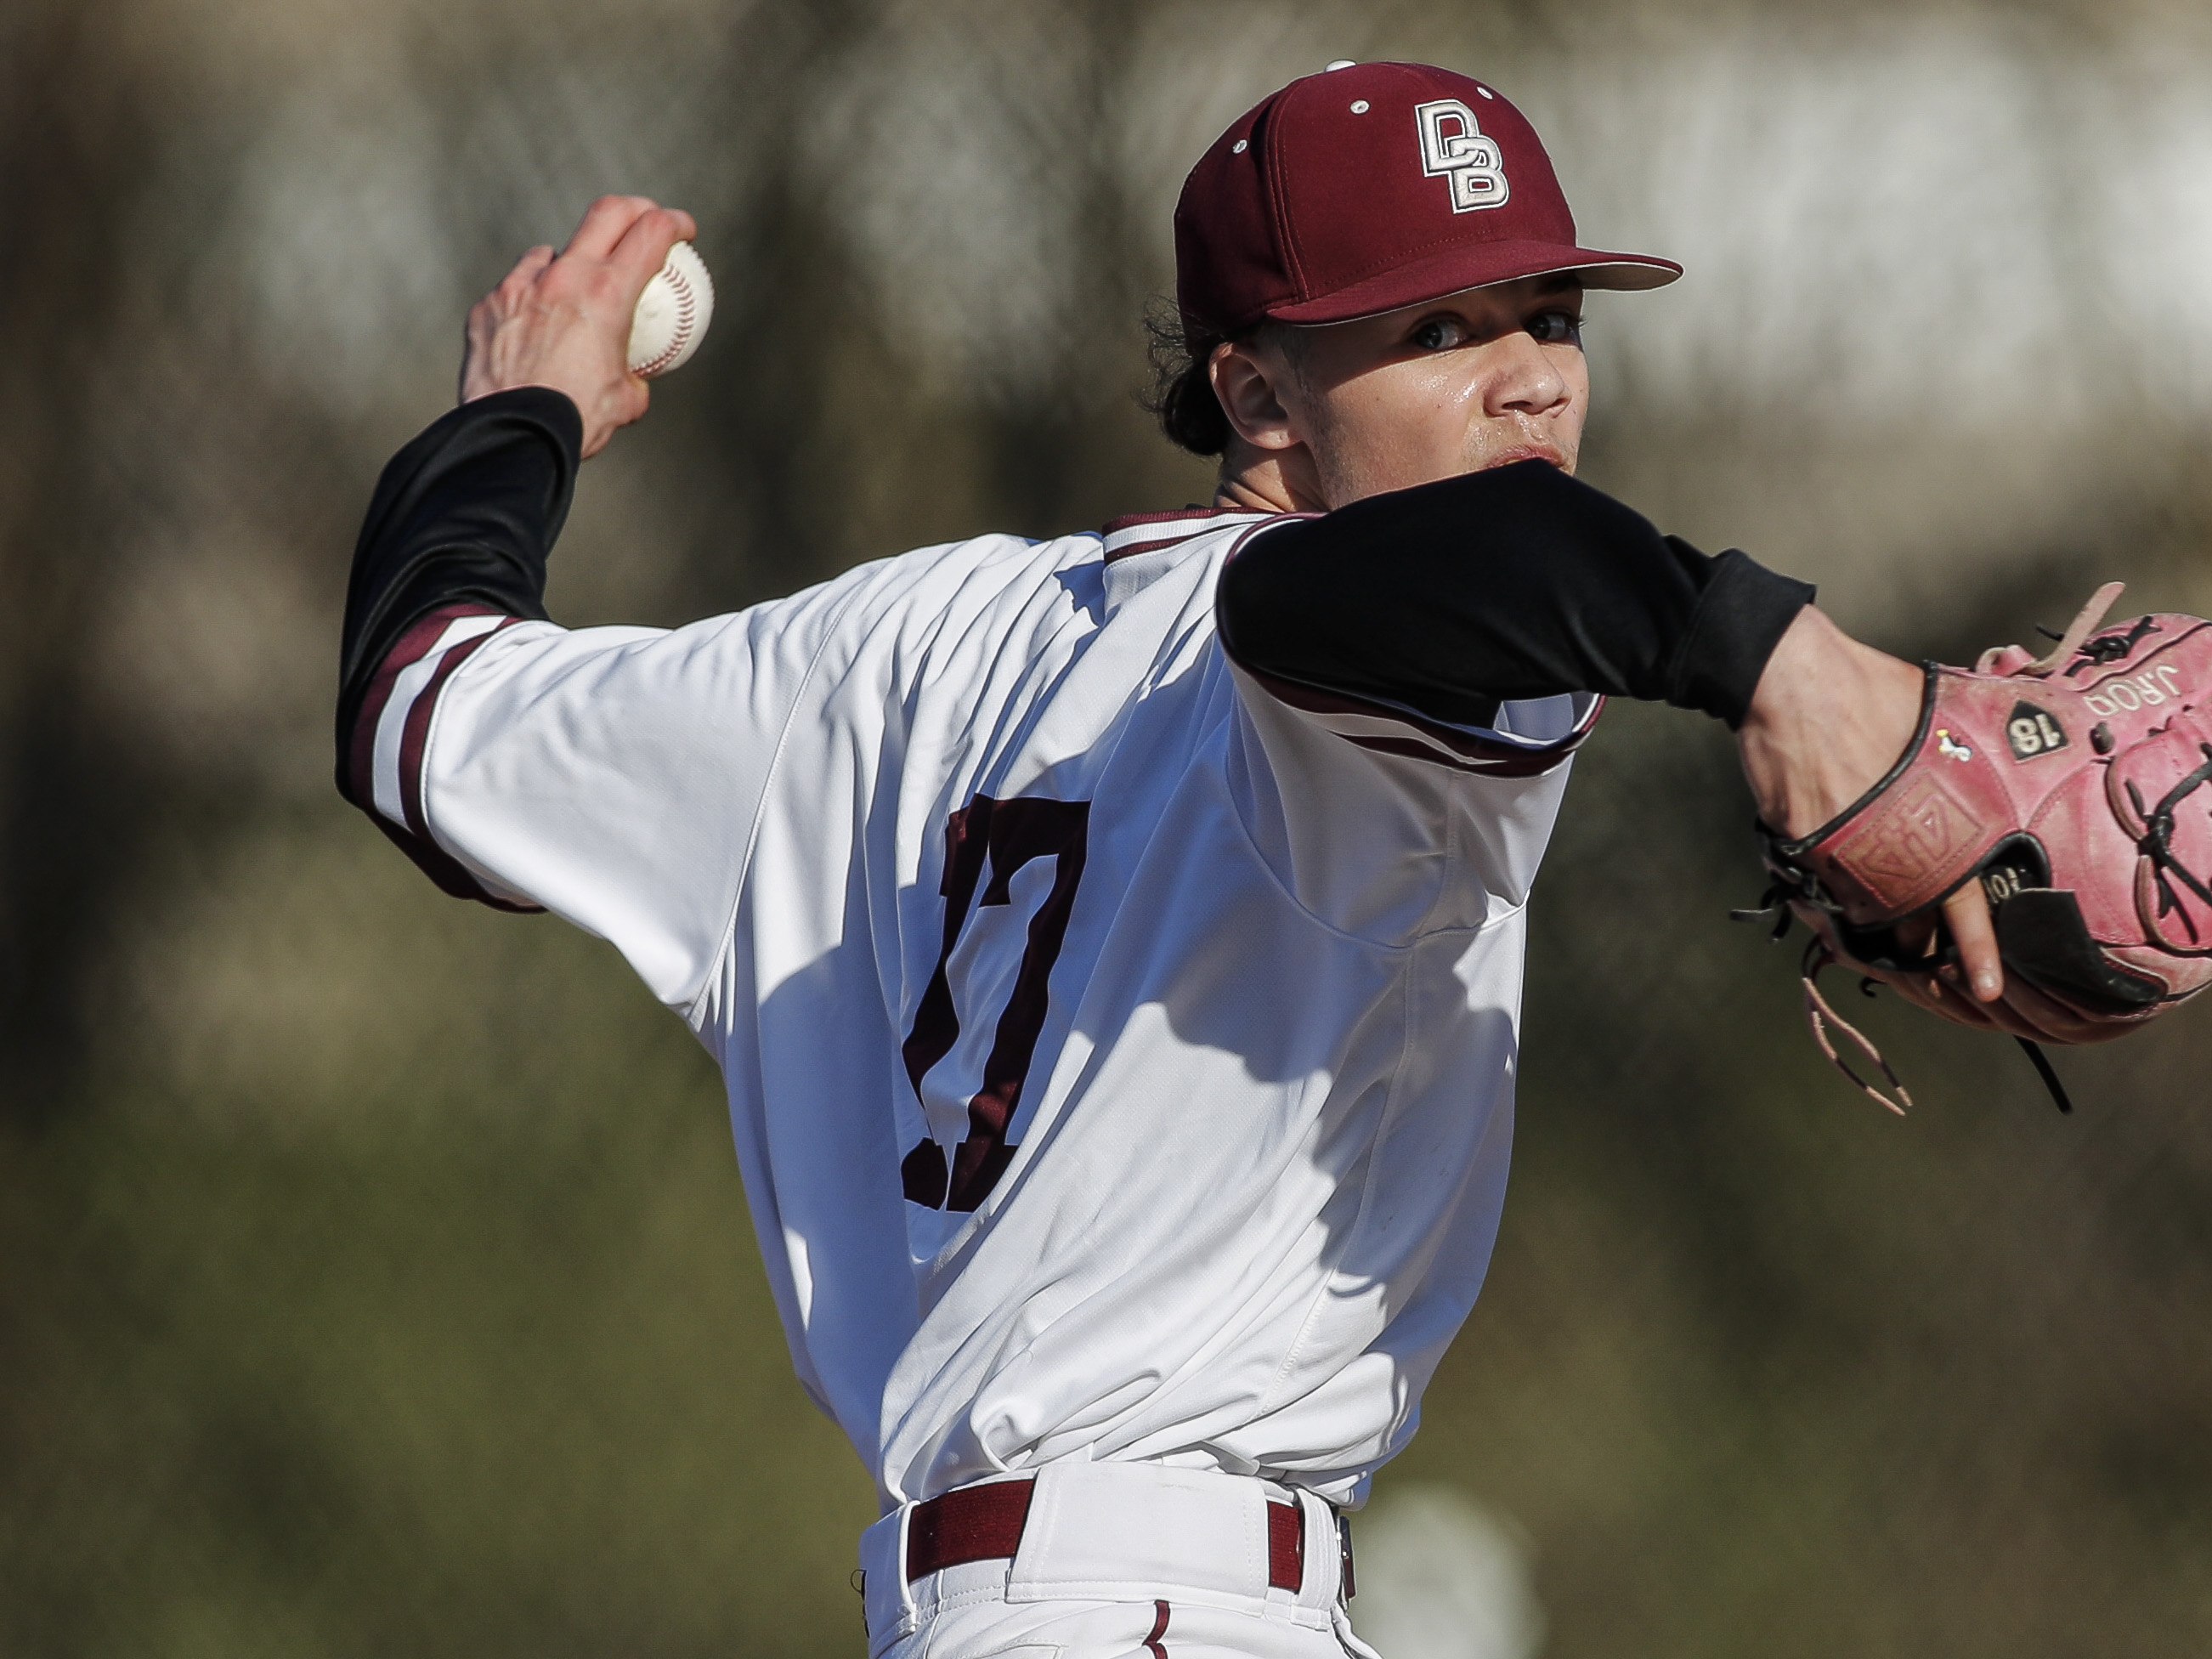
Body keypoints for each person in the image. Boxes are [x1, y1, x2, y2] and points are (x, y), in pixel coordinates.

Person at [338, 59, 2057, 1659]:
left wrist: (516, 424)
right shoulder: (1380, 655)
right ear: (1253, 389)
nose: (1533, 371)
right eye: (1442, 326)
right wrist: (1767, 646)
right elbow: (1450, 569)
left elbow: (419, 717)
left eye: (1553, 314)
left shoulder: (889, 646)